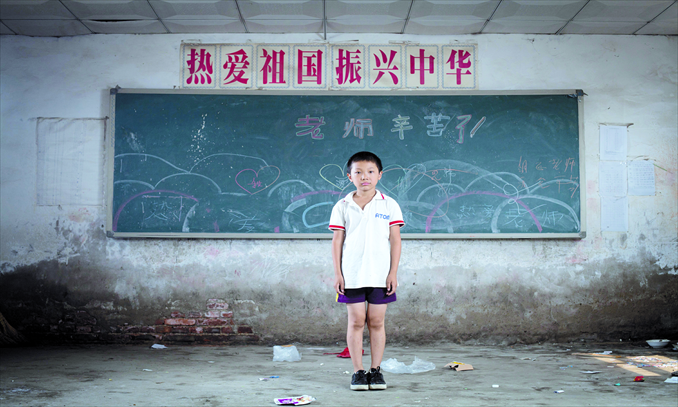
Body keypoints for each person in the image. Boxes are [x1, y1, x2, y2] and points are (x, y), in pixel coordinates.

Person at [329, 151, 404, 391]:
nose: (365, 177)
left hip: (380, 274)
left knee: (376, 321)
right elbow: (337, 241)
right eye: (358, 172)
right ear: (349, 176)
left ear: (380, 175)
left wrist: (393, 272)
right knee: (356, 321)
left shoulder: (389, 204)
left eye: (370, 172)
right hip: (352, 273)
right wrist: (338, 274)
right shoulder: (342, 206)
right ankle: (358, 372)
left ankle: (376, 370)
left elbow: (396, 240)